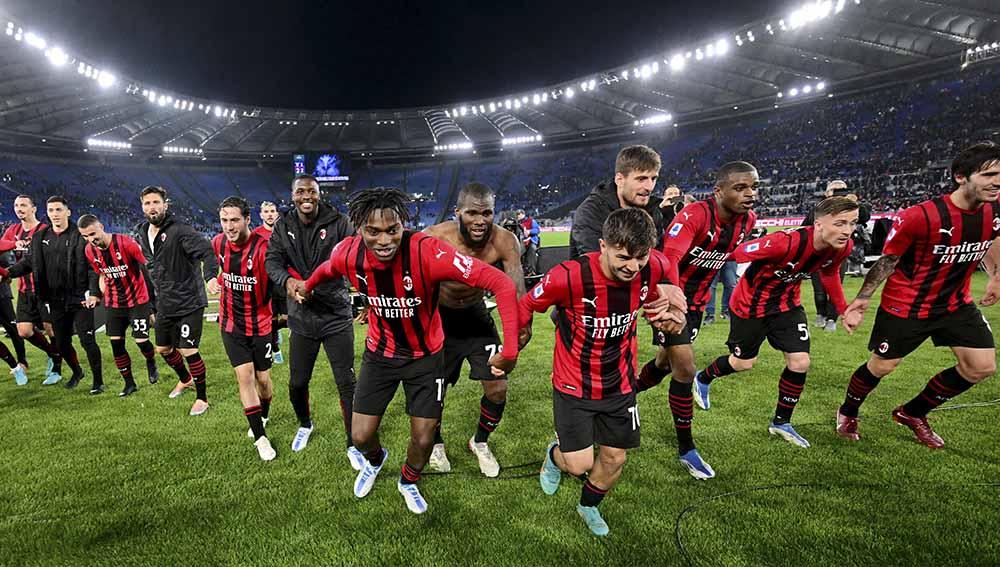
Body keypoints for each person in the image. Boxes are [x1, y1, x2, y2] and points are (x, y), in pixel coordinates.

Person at [298, 187, 521, 515]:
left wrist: (511, 350)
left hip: (426, 359)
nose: (385, 241)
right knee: (360, 437)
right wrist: (307, 285)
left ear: (404, 224)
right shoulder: (347, 253)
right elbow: (328, 268)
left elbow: (501, 284)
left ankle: (409, 480)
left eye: (393, 230)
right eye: (373, 232)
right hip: (380, 356)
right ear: (359, 228)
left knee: (422, 439)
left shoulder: (429, 252)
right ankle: (376, 461)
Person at [521, 208, 684, 536]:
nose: (632, 266)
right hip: (573, 385)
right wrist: (514, 346)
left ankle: (588, 505)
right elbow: (526, 305)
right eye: (624, 256)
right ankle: (554, 457)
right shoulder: (568, 276)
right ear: (603, 245)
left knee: (614, 459)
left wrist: (670, 313)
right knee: (578, 465)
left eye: (641, 258)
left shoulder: (650, 270)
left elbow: (660, 297)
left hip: (620, 383)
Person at [837, 142, 1000, 448]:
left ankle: (912, 413)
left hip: (955, 304)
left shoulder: (996, 208)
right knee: (882, 366)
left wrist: (996, 276)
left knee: (981, 367)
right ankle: (847, 411)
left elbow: (993, 235)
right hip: (906, 306)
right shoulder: (920, 216)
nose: (997, 182)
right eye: (988, 174)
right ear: (960, 176)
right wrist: (861, 300)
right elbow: (889, 260)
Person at [693, 197, 859, 448]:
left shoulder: (842, 247)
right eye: (840, 223)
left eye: (853, 223)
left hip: (786, 306)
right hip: (750, 306)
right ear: (819, 223)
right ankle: (703, 378)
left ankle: (781, 423)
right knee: (742, 363)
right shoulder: (784, 243)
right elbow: (735, 253)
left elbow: (830, 272)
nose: (847, 231)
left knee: (800, 362)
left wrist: (844, 309)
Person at [636, 161, 758, 479]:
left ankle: (626, 395)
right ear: (719, 191)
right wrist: (673, 301)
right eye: (741, 187)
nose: (750, 194)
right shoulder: (693, 215)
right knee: (686, 368)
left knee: (664, 364)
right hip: (669, 298)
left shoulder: (749, 221)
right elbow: (670, 258)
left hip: (697, 304)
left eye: (754, 187)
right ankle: (686, 448)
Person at [423, 182, 529, 477]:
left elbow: (517, 285)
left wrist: (523, 325)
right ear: (457, 212)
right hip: (440, 320)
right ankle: (436, 444)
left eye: (487, 213)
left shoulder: (504, 240)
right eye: (472, 213)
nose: (480, 221)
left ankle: (479, 442)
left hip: (476, 316)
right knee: (433, 393)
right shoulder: (433, 237)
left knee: (498, 388)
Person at [264, 175, 359, 462]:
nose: (306, 196)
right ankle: (305, 424)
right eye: (300, 191)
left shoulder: (340, 222)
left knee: (346, 382)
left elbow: (354, 256)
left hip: (335, 315)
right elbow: (272, 261)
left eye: (312, 192)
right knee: (296, 383)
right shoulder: (283, 225)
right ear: (292, 196)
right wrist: (289, 284)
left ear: (319, 194)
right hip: (301, 318)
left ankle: (353, 442)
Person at [3, 196, 102, 392]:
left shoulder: (79, 236)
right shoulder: (41, 237)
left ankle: (98, 382)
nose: (55, 214)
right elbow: (28, 263)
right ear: (46, 213)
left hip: (79, 297)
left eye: (58, 210)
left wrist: (94, 292)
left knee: (87, 340)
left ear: (68, 212)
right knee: (62, 342)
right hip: (55, 300)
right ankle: (76, 371)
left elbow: (92, 267)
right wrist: (8, 273)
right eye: (51, 210)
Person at [136, 186, 218, 416]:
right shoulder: (142, 232)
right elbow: (149, 270)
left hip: (189, 301)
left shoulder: (181, 231)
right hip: (165, 303)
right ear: (142, 207)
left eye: (156, 202)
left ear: (165, 204)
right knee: (163, 348)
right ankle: (185, 379)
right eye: (147, 203)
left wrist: (211, 277)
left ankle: (202, 398)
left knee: (188, 349)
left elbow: (207, 251)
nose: (152, 207)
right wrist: (151, 304)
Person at [208, 197, 277, 461]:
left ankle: (265, 411)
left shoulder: (264, 249)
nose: (229, 226)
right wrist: (214, 280)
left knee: (263, 380)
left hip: (260, 325)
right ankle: (260, 437)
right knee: (245, 376)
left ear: (248, 219)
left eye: (234, 220)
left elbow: (277, 280)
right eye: (224, 220)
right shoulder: (218, 243)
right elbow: (220, 270)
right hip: (231, 323)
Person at [78, 214, 158, 396]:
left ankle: (151, 360)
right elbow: (102, 275)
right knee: (116, 344)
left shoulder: (126, 243)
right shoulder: (90, 251)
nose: (91, 239)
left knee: (141, 341)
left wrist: (152, 307)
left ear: (101, 226)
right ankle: (129, 384)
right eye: (85, 236)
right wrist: (98, 295)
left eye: (92, 234)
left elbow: (147, 272)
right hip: (114, 303)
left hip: (138, 300)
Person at [0, 195, 60, 383]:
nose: (19, 208)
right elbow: (2, 245)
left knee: (51, 329)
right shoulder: (13, 230)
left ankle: (56, 370)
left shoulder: (44, 230)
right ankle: (53, 354)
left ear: (33, 208)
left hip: (45, 289)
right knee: (23, 331)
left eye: (23, 205)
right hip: (24, 289)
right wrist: (13, 244)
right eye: (16, 205)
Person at [569, 145, 664, 258]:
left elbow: (657, 258)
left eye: (653, 178)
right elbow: (597, 263)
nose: (649, 187)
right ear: (620, 180)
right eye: (641, 179)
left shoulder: (652, 210)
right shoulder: (591, 212)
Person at [803, 180, 872, 332]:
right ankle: (821, 314)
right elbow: (806, 225)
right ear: (827, 193)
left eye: (842, 190)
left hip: (838, 254)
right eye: (835, 190)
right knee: (819, 290)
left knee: (835, 287)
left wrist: (853, 202)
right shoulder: (818, 208)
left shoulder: (851, 208)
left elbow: (865, 216)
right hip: (818, 254)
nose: (838, 193)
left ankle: (831, 319)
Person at [254, 201, 287, 365]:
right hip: (265, 284)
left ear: (277, 214)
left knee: (290, 318)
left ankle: (277, 331)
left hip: (283, 281)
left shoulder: (284, 232)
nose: (269, 214)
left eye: (272, 211)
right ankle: (276, 350)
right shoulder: (255, 235)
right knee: (271, 319)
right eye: (266, 211)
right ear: (261, 215)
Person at [703, 260, 737, 325]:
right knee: (711, 286)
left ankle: (726, 311)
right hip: (714, 256)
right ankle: (710, 314)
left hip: (730, 256)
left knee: (731, 284)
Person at [517, 209, 540, 275]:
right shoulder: (517, 223)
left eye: (519, 214)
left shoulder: (531, 221)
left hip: (531, 240)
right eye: (517, 214)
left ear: (523, 214)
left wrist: (529, 231)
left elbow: (537, 230)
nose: (518, 216)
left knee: (532, 249)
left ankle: (532, 270)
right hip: (520, 242)